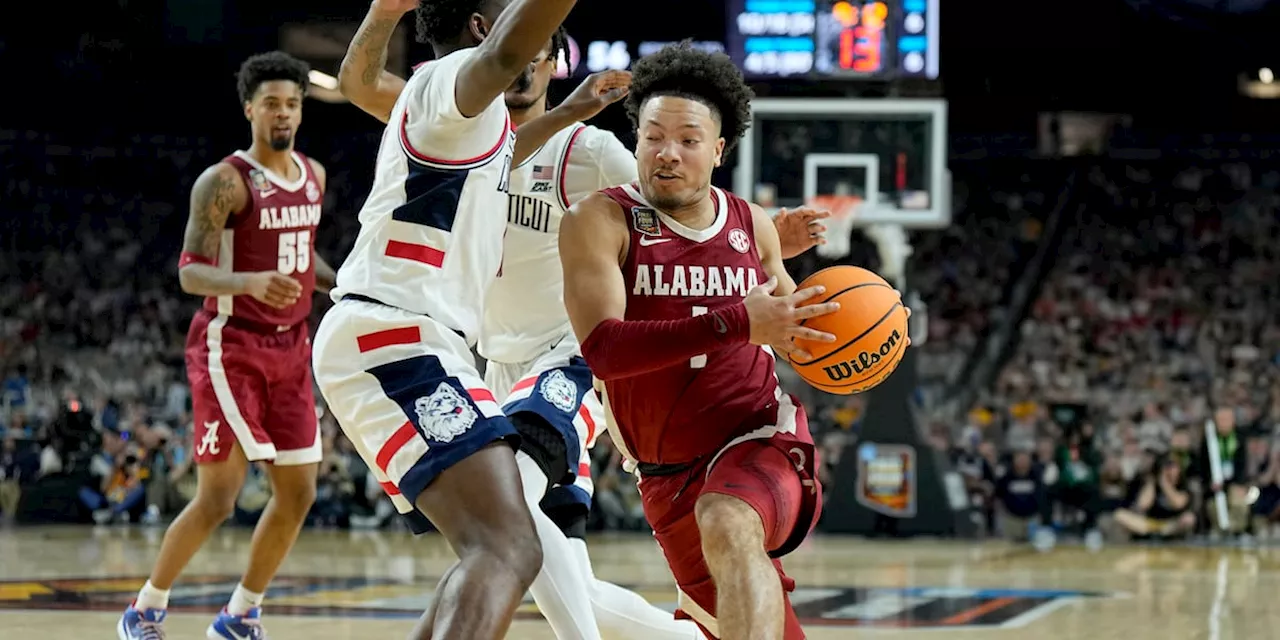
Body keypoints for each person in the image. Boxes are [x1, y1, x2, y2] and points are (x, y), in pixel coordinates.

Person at [337, 5, 828, 639]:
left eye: (539, 50)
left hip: (567, 355)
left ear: (551, 62)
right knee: (543, 564)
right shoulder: (461, 119)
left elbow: (675, 201)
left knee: (506, 523)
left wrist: (758, 236)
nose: (523, 63)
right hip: (490, 363)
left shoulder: (589, 150)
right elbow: (363, 86)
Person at [559, 42, 872, 640]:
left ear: (719, 150)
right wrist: (736, 321)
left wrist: (862, 334)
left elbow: (793, 331)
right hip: (664, 476)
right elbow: (604, 350)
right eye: (653, 137)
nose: (667, 153)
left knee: (727, 519)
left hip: (758, 438)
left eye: (688, 139)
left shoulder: (751, 223)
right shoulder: (598, 221)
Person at [310, 1, 578, 638]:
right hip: (396, 332)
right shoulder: (449, 79)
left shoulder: (463, 115)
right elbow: (508, 56)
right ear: (483, 28)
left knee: (497, 546)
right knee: (507, 546)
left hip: (410, 337)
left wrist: (379, 15)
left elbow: (358, 83)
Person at [116, 51, 335, 640]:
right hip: (230, 346)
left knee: (299, 491)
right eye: (271, 104)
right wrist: (248, 283)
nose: (283, 113)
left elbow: (300, 255)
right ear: (249, 110)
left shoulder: (313, 176)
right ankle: (145, 608)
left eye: (291, 103)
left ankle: (240, 614)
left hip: (293, 348)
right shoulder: (224, 181)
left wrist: (344, 285)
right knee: (219, 496)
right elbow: (190, 272)